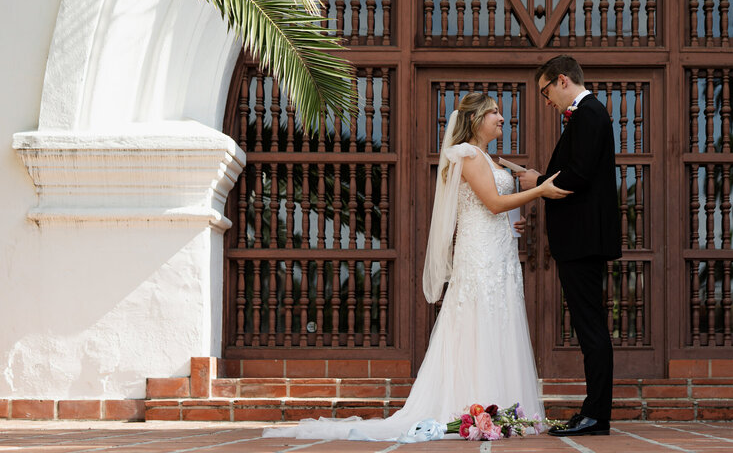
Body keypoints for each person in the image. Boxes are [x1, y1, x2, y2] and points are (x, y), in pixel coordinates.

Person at [264, 92, 568, 442]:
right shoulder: (467, 155)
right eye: (494, 113)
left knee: (500, 321)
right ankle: (472, 407)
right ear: (475, 120)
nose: (501, 118)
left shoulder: (489, 158)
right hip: (479, 256)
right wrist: (540, 190)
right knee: (476, 322)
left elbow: (493, 210)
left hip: (499, 251)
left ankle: (501, 409)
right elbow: (494, 202)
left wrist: (513, 225)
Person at [519, 55, 622, 437]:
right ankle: (594, 412)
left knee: (591, 328)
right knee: (588, 326)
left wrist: (537, 182)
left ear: (562, 81)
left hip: (583, 241)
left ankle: (596, 415)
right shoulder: (587, 114)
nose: (547, 102)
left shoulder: (591, 113)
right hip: (580, 240)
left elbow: (577, 175)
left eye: (546, 92)